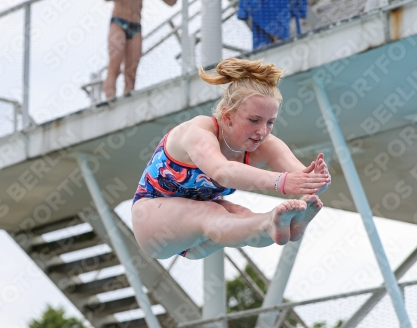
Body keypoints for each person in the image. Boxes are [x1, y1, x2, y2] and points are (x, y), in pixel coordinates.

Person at [131, 58, 331, 260]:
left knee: (242, 215)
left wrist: (316, 181)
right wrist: (282, 181)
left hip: (199, 239)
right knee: (212, 211)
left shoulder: (266, 145)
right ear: (227, 117)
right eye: (254, 120)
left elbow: (300, 177)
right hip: (152, 223)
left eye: (270, 122)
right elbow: (222, 172)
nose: (262, 131)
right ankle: (271, 223)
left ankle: (288, 227)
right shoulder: (198, 131)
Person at [103, 0, 177, 99]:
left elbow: (172, 2)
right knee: (114, 67)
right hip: (118, 22)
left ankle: (128, 104)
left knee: (131, 75)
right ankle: (109, 101)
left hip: (135, 26)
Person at [237, 0, 308, 50]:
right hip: (266, 11)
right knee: (268, 49)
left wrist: (243, 11)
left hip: (274, 10)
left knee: (274, 47)